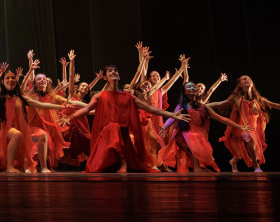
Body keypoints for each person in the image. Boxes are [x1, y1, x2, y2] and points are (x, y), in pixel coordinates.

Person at [62, 65, 190, 173]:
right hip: (106, 133)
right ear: (105, 77)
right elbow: (86, 109)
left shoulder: (128, 96)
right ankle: (121, 162)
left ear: (118, 77)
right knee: (113, 127)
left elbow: (150, 109)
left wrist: (173, 115)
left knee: (117, 130)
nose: (113, 72)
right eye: (110, 71)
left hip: (122, 134)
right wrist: (70, 117)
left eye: (115, 71)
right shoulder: (100, 95)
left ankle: (121, 162)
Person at [207, 75, 280, 172]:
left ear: (252, 84)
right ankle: (256, 167)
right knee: (247, 136)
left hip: (255, 129)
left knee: (249, 145)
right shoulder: (236, 99)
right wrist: (203, 105)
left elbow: (278, 105)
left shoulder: (258, 100)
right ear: (240, 85)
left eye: (249, 78)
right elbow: (220, 104)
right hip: (241, 127)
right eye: (244, 79)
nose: (247, 79)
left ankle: (234, 161)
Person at [158, 81, 252, 172]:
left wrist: (239, 127)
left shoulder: (203, 107)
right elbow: (173, 117)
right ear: (184, 93)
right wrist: (164, 127)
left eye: (193, 87)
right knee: (193, 137)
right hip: (184, 135)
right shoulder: (182, 106)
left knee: (203, 147)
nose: (192, 88)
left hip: (199, 135)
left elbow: (221, 118)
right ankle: (196, 167)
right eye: (189, 87)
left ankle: (198, 166)